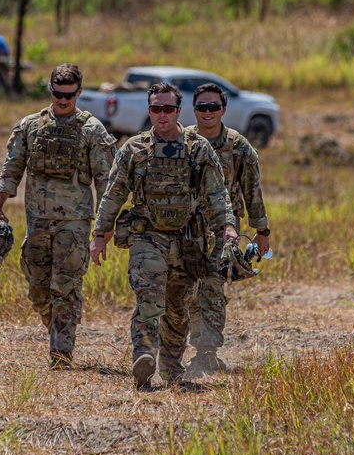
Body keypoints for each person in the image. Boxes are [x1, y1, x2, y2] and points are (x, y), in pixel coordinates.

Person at [90, 82, 237, 389]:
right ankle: (143, 355)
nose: (162, 115)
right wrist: (99, 233)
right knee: (149, 297)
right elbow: (114, 193)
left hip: (187, 241)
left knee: (178, 308)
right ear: (150, 111)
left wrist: (228, 226)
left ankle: (171, 366)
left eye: (168, 109)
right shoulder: (135, 149)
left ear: (178, 111)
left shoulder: (198, 148)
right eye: (156, 109)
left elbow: (216, 192)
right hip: (148, 237)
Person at [0, 63, 117, 369]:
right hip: (38, 221)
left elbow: (105, 181)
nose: (63, 100)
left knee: (65, 286)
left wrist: (104, 226)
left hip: (75, 221)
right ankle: (59, 329)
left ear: (79, 92)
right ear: (51, 90)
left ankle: (61, 353)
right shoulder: (31, 126)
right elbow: (12, 169)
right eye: (58, 93)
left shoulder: (91, 130)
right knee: (38, 289)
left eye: (69, 95)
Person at [185, 83, 270, 373]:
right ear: (193, 109)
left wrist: (262, 231)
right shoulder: (181, 142)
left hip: (223, 231)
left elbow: (252, 191)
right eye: (201, 107)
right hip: (184, 230)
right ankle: (178, 346)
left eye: (213, 107)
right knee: (185, 290)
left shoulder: (239, 146)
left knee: (212, 288)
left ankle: (206, 351)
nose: (207, 112)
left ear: (223, 109)